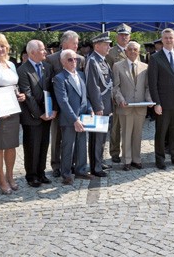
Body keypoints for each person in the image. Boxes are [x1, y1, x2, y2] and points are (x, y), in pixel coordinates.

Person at [0, 33, 26, 195]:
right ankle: (1, 179)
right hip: (0, 113)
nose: (0, 49)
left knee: (12, 146)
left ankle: (10, 175)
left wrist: (21, 95)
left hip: (13, 110)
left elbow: (14, 85)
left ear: (7, 47)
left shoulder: (11, 64)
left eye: (2, 46)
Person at [148, 28, 174, 169]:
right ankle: (160, 159)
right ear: (162, 39)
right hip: (163, 102)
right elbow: (152, 83)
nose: (168, 40)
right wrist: (157, 103)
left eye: (171, 38)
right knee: (161, 132)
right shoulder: (155, 58)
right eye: (166, 38)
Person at [17, 40, 58, 188]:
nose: (45, 52)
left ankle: (41, 172)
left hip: (47, 114)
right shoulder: (23, 70)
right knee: (32, 147)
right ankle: (32, 175)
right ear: (32, 53)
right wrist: (39, 113)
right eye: (42, 50)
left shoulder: (47, 67)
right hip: (32, 116)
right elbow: (27, 95)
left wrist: (53, 109)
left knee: (43, 144)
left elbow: (52, 90)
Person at [46, 30, 85, 178]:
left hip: (75, 106)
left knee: (76, 137)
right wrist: (53, 107)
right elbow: (48, 84)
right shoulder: (51, 59)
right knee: (57, 137)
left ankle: (74, 164)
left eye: (77, 43)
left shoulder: (80, 58)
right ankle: (57, 165)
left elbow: (80, 84)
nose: (77, 45)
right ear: (64, 42)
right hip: (58, 105)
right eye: (74, 42)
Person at [54, 49, 94, 185]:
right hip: (69, 119)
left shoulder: (81, 75)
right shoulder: (59, 78)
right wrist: (74, 120)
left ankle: (81, 171)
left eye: (75, 59)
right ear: (63, 62)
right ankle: (66, 174)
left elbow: (85, 96)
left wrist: (90, 109)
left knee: (82, 145)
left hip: (83, 117)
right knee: (68, 147)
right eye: (70, 59)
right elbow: (63, 101)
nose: (74, 62)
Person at [112, 41, 152, 171]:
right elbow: (115, 87)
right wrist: (120, 99)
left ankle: (136, 159)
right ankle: (126, 160)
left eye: (135, 49)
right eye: (130, 49)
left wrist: (149, 100)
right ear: (125, 52)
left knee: (138, 135)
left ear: (139, 52)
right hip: (125, 107)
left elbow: (147, 87)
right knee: (126, 134)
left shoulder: (145, 67)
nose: (133, 52)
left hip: (140, 106)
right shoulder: (117, 66)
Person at [86, 32, 114, 177]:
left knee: (102, 137)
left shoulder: (102, 60)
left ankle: (99, 160)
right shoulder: (93, 61)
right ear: (97, 46)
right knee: (97, 138)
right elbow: (93, 86)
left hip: (106, 105)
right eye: (106, 44)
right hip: (99, 106)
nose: (109, 47)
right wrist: (98, 107)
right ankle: (96, 167)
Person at [106, 23, 132, 164]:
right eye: (121, 35)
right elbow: (108, 75)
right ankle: (115, 152)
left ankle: (129, 151)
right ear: (117, 37)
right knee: (116, 125)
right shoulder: (111, 53)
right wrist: (113, 95)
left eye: (126, 35)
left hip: (132, 94)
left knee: (130, 124)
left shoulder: (134, 50)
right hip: (118, 93)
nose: (124, 37)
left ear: (130, 37)